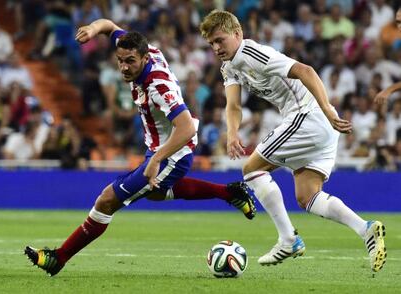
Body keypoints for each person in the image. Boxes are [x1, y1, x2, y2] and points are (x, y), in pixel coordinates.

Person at [24, 18, 256, 276]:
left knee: (106, 200)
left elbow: (187, 127)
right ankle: (229, 192)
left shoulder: (158, 86)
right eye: (120, 60)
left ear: (145, 58)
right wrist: (92, 30)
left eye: (130, 61)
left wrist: (157, 159)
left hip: (173, 154)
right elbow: (110, 26)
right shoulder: (139, 49)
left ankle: (59, 258)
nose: (123, 67)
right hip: (158, 147)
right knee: (156, 193)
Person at [199, 10, 386, 273]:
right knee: (307, 196)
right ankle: (365, 229)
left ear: (237, 33)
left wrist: (329, 111)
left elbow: (305, 70)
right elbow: (233, 105)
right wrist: (232, 133)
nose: (216, 47)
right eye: (211, 44)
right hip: (313, 123)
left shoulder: (252, 54)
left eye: (220, 40)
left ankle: (288, 239)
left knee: (252, 169)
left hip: (308, 116)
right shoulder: (229, 66)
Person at [374, 7, 401, 105]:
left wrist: (388, 90)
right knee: (382, 66)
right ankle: (393, 99)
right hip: (396, 65)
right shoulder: (387, 29)